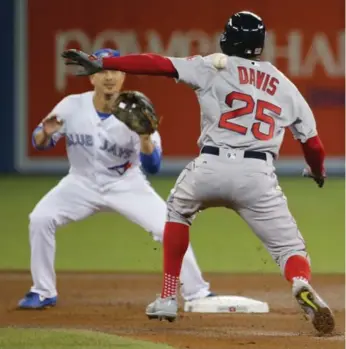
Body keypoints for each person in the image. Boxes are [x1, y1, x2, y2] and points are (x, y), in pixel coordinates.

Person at [62, 12, 335, 335]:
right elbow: (314, 146)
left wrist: (107, 64)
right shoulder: (284, 84)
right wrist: (316, 172)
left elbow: (158, 63)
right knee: (290, 250)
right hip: (258, 174)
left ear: (228, 39)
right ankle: (300, 283)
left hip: (210, 165)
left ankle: (166, 297)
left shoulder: (211, 66)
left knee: (178, 210)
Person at [18, 48, 215, 309]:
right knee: (40, 219)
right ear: (92, 78)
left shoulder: (136, 109)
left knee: (169, 227)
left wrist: (145, 138)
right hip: (80, 182)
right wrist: (45, 132)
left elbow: (153, 166)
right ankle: (43, 291)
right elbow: (39, 142)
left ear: (124, 76)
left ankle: (196, 292)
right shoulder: (71, 106)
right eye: (102, 71)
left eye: (115, 71)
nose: (109, 77)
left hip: (126, 184)